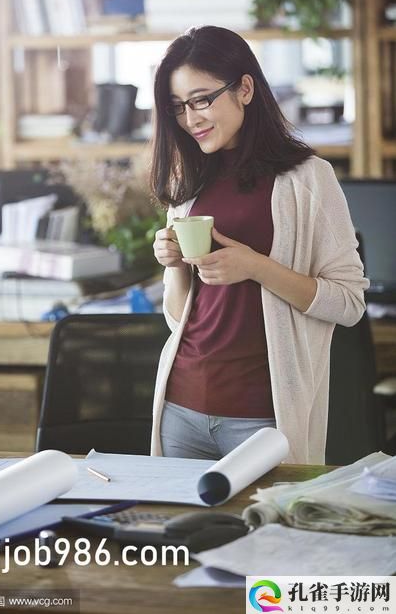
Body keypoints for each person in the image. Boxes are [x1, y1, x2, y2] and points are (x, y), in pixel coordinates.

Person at [150, 25, 368, 465]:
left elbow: (348, 303)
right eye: (178, 107)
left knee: (263, 535)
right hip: (182, 407)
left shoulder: (307, 179)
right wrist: (174, 265)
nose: (190, 118)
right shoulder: (187, 182)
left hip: (262, 417)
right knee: (176, 535)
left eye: (201, 99)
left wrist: (256, 266)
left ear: (245, 88)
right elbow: (178, 320)